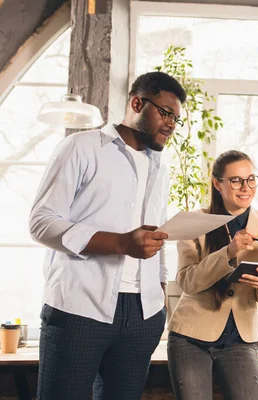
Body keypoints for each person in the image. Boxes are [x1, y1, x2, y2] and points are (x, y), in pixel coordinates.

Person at [29, 71, 187, 399]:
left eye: (177, 119)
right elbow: (41, 222)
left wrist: (158, 296)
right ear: (136, 103)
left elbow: (157, 232)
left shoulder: (162, 166)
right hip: (78, 310)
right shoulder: (80, 147)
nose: (172, 124)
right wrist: (119, 242)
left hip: (142, 316)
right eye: (166, 112)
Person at [167, 150, 258, 400]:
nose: (246, 187)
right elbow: (187, 280)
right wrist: (228, 253)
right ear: (217, 183)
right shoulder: (193, 222)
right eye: (236, 180)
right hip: (190, 337)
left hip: (241, 337)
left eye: (251, 179)